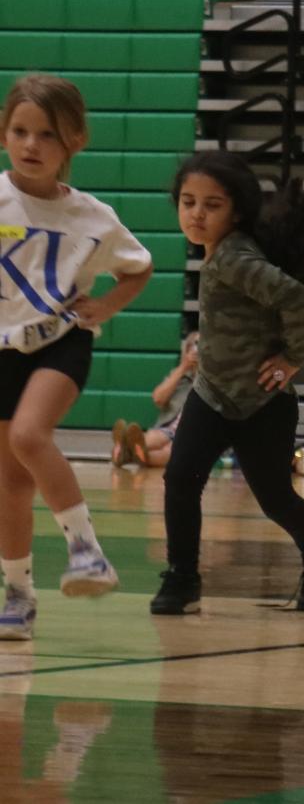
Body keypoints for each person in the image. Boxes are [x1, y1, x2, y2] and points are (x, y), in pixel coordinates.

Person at [0, 74, 153, 637]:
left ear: (76, 142)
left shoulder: (93, 217)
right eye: (20, 131)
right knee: (11, 483)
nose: (31, 144)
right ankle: (17, 594)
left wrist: (106, 305)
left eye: (47, 134)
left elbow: (138, 268)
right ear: (3, 134)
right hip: (3, 348)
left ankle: (88, 551)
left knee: (29, 436)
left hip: (61, 342)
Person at [153, 152, 304, 617]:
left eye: (211, 205)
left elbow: (293, 296)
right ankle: (182, 575)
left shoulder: (235, 256)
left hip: (261, 402)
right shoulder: (219, 253)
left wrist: (293, 357)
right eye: (188, 202)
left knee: (275, 498)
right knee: (179, 479)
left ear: (235, 211)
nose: (196, 213)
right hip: (212, 395)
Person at [110, 332, 197, 469]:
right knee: (153, 438)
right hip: (167, 428)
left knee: (172, 451)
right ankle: (128, 448)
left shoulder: (214, 380)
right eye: (194, 346)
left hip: (190, 435)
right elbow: (158, 399)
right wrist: (183, 368)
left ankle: (125, 452)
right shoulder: (179, 376)